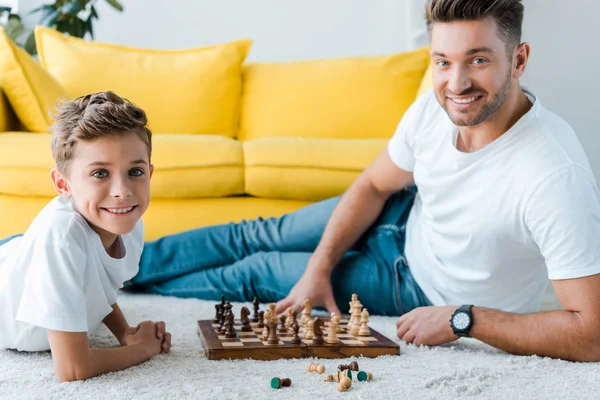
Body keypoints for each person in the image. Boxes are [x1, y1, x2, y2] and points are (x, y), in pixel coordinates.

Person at [129, 0, 600, 362]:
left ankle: (126, 282)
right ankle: (116, 267)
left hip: (417, 289)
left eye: (478, 60)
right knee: (253, 233)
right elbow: (375, 186)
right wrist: (319, 267)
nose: (456, 84)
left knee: (256, 270)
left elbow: (591, 333)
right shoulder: (435, 109)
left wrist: (465, 318)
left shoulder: (553, 175)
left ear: (518, 61)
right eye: (442, 61)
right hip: (404, 213)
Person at [0, 92, 172, 382]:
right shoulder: (61, 240)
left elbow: (95, 282)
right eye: (101, 173)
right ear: (62, 183)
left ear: (150, 174)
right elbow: (73, 369)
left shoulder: (128, 221)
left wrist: (125, 332)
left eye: (135, 171)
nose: (123, 191)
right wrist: (143, 349)